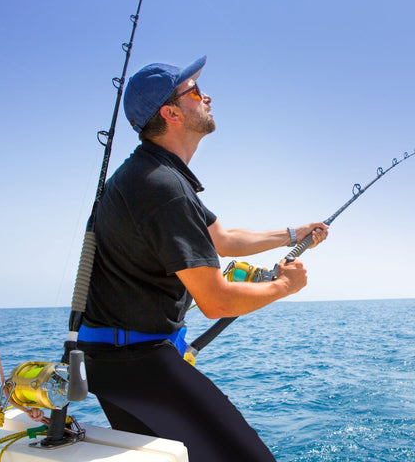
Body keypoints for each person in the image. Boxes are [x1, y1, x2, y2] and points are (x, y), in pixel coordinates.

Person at [77, 56, 328, 462]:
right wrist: (285, 285)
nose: (206, 95)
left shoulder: (152, 175)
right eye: (194, 90)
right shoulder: (163, 189)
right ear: (171, 113)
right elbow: (217, 302)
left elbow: (223, 240)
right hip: (137, 363)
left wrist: (294, 234)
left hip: (110, 360)